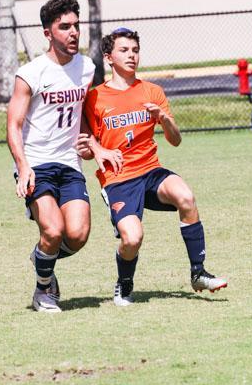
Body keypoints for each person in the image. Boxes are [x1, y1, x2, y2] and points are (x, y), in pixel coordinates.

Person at [79, 27, 228, 307]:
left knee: (186, 196)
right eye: (124, 50)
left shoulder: (152, 91)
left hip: (150, 171)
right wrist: (93, 150)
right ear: (109, 58)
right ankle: (124, 283)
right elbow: (88, 151)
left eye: (135, 50)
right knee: (132, 239)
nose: (131, 56)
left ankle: (198, 273)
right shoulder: (95, 98)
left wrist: (164, 118)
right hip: (119, 179)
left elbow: (176, 140)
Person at [7, 0, 96, 313]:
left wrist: (90, 143)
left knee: (78, 235)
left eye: (76, 26)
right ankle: (43, 291)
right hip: (37, 164)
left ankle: (41, 257)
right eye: (65, 27)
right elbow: (13, 125)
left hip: (70, 164)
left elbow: (82, 113)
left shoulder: (87, 68)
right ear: (48, 33)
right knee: (53, 230)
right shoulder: (30, 73)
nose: (74, 33)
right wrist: (23, 166)